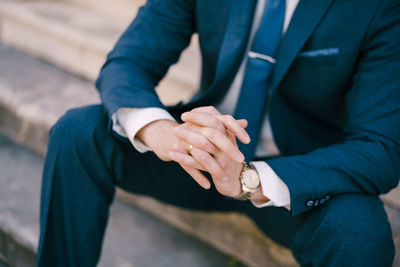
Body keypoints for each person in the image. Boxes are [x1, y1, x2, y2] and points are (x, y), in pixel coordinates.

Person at [36, 0, 400, 266]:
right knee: (78, 132)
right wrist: (162, 130)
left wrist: (250, 178)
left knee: (360, 233)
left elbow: (381, 147)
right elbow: (129, 61)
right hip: (198, 160)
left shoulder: (379, 7)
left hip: (293, 179)